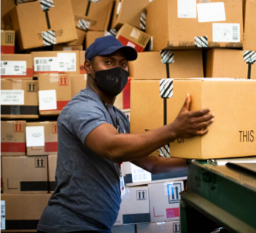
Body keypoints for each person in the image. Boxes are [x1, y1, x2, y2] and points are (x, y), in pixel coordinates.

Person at [37, 36, 214, 233]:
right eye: (108, 62)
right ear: (88, 66)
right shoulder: (82, 107)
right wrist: (174, 130)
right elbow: (112, 146)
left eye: (123, 64)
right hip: (69, 226)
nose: (117, 69)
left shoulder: (117, 116)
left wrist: (198, 164)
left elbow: (152, 163)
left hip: (94, 226)